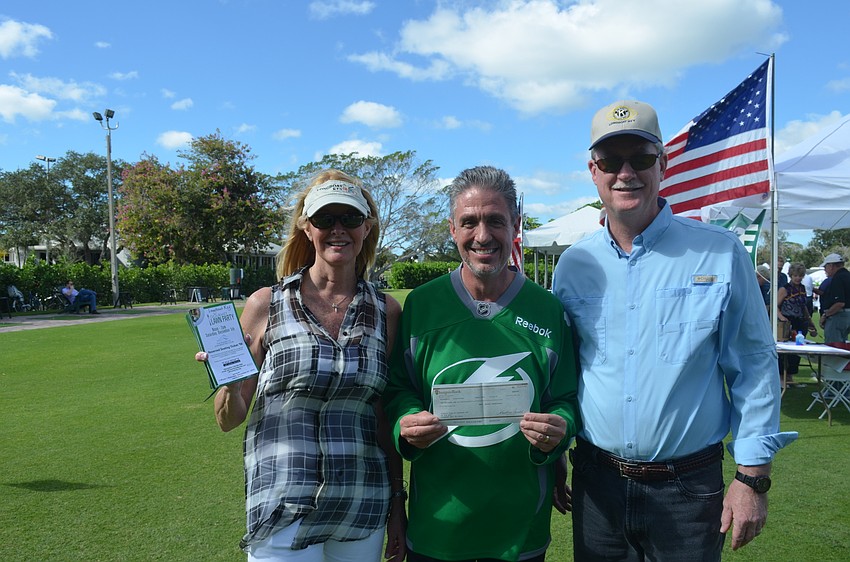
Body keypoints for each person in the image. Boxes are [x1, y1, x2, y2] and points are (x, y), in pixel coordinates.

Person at [552, 100, 797, 561]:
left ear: (662, 163)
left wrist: (752, 479)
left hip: (688, 489)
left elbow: (753, 368)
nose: (626, 172)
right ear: (593, 170)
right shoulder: (573, 265)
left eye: (641, 158)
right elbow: (562, 371)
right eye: (611, 160)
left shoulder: (719, 252)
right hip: (596, 482)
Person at [197, 170, 406, 561]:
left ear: (367, 227)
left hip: (362, 503)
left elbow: (382, 415)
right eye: (326, 219)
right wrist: (231, 384)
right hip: (282, 504)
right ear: (306, 228)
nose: (338, 229)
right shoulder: (266, 304)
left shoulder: (386, 311)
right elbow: (227, 419)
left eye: (350, 218)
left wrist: (398, 502)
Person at [383, 165, 580, 562]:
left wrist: (561, 426)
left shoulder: (547, 309)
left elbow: (566, 397)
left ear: (515, 225)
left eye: (495, 221)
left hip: (520, 531)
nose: (483, 235)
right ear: (452, 229)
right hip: (438, 527)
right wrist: (405, 421)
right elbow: (397, 390)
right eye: (469, 222)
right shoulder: (421, 305)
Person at [777, 262, 818, 386]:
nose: (797, 278)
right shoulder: (784, 289)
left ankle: (790, 377)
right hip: (787, 321)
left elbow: (803, 306)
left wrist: (810, 322)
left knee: (797, 351)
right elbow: (776, 306)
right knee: (784, 352)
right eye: (795, 275)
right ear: (791, 275)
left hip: (800, 321)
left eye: (800, 275)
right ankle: (781, 378)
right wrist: (782, 318)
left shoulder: (802, 288)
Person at [818, 253, 850, 343]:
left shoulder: (838, 278)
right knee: (843, 345)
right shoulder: (847, 276)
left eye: (826, 267)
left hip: (839, 316)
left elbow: (839, 303)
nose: (825, 270)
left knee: (833, 345)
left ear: (831, 266)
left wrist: (825, 315)